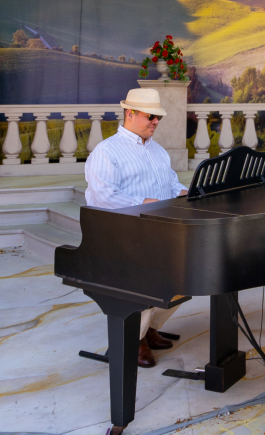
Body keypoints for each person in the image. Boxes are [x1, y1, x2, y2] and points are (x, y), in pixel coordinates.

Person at [85, 87, 188, 369]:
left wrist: (189, 193)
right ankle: (134, 338)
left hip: (158, 230)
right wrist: (148, 203)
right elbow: (104, 197)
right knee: (149, 280)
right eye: (150, 117)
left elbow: (171, 185)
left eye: (158, 118)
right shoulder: (107, 152)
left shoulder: (158, 151)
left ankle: (148, 329)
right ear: (130, 114)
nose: (155, 122)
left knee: (189, 277)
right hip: (122, 235)